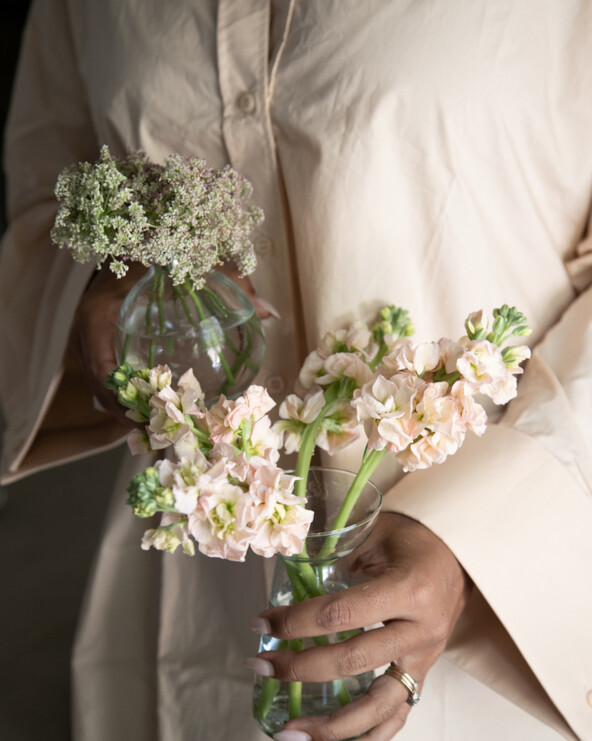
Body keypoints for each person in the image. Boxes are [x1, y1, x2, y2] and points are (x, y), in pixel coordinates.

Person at [1, 1, 591, 739]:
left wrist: (476, 537)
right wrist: (96, 295)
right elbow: (42, 200)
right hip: (201, 589)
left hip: (497, 611)